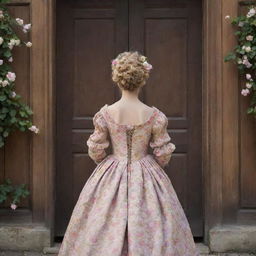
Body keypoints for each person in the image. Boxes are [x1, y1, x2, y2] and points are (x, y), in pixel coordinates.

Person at [58, 51, 199, 256]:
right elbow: (163, 154)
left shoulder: (105, 114)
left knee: (99, 222)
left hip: (112, 169)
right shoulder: (154, 115)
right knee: (158, 223)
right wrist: (155, 164)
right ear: (143, 80)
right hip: (146, 171)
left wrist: (105, 163)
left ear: (117, 79)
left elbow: (96, 149)